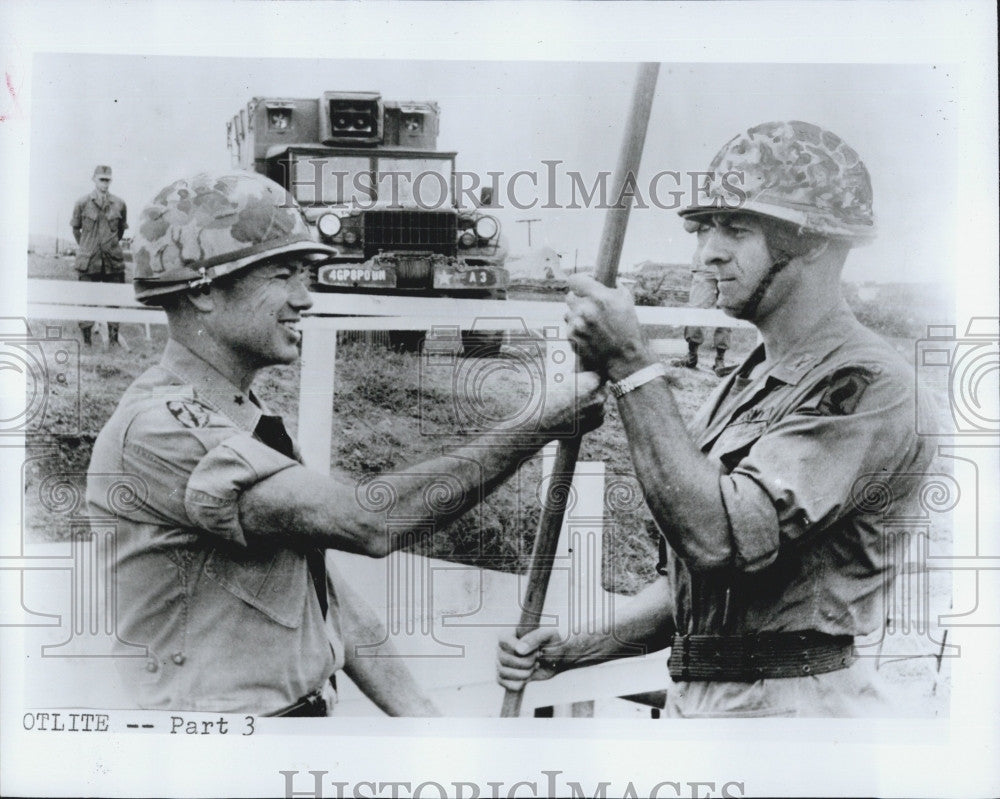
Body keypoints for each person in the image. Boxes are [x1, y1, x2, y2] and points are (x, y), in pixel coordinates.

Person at [87, 170, 602, 716]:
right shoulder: (160, 430)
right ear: (205, 292)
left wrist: (430, 730)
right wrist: (542, 422)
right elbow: (370, 521)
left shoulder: (239, 420)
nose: (304, 298)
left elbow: (329, 602)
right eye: (283, 276)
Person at [497, 120, 933, 717]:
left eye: (737, 228)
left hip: (791, 715)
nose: (708, 252)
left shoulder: (867, 386)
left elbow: (720, 543)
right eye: (704, 229)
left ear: (812, 241)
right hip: (708, 703)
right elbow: (694, 592)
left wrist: (632, 362)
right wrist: (572, 650)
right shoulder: (742, 384)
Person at [71, 165, 128, 345]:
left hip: (113, 261)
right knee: (87, 301)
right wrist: (88, 247)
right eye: (101, 179)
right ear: (94, 179)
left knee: (114, 301)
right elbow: (75, 228)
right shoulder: (82, 203)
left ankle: (113, 341)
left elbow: (120, 232)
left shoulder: (119, 204)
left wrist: (109, 246)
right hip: (89, 261)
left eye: (107, 180)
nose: (104, 183)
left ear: (110, 181)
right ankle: (87, 343)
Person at [672, 260, 735, 377]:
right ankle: (691, 355)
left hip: (728, 266)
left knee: (726, 310)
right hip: (704, 266)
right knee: (696, 311)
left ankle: (720, 360)